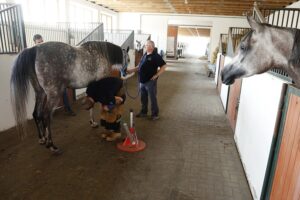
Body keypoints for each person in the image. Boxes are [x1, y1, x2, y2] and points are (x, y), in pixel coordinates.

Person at [33, 34, 76, 116]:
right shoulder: (33, 54)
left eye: (42, 42)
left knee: (63, 92)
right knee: (41, 96)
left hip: (51, 78)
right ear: (34, 43)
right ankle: (44, 113)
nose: (41, 44)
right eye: (39, 43)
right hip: (40, 79)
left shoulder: (46, 51)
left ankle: (68, 109)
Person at [127, 40, 167, 120]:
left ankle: (155, 114)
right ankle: (143, 112)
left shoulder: (156, 56)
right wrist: (130, 71)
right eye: (145, 45)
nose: (145, 46)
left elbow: (164, 66)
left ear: (151, 47)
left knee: (152, 98)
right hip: (142, 81)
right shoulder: (145, 55)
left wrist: (156, 75)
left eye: (146, 45)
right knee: (143, 98)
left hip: (150, 81)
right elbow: (139, 66)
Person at [82, 77, 126, 141]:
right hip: (109, 89)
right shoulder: (89, 91)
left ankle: (116, 132)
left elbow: (118, 100)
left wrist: (109, 107)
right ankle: (108, 130)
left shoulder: (102, 96)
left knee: (113, 111)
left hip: (118, 88)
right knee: (103, 112)